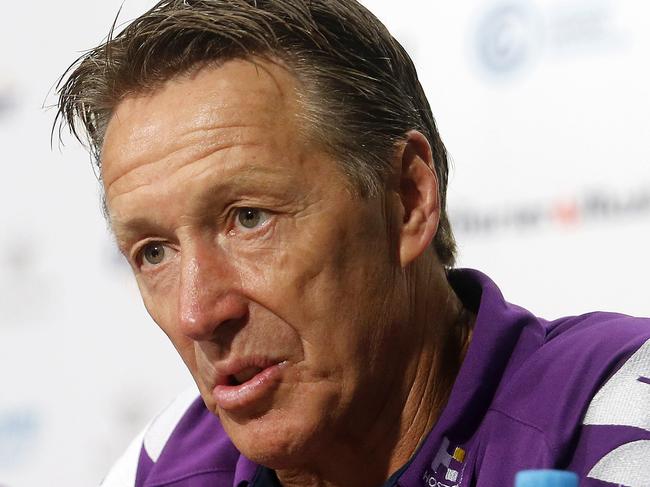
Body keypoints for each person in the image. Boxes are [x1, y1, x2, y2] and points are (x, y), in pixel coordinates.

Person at [55, 1, 650, 486]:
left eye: (249, 218)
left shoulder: (613, 411)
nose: (197, 314)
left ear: (407, 198)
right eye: (154, 251)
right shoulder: (164, 467)